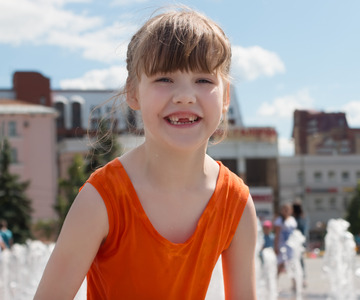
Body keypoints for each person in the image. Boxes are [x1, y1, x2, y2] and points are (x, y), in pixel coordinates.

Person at [34, 7, 258, 300]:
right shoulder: (102, 199)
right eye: (164, 79)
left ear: (225, 95)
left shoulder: (235, 202)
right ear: (133, 92)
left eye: (204, 80)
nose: (184, 95)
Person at [274, 202, 297, 275]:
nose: (286, 211)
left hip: (291, 246)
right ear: (281, 211)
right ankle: (275, 281)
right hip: (282, 245)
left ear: (291, 210)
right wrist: (276, 246)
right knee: (280, 264)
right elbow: (276, 235)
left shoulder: (292, 220)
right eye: (284, 209)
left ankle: (295, 283)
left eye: (288, 209)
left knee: (292, 264)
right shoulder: (279, 220)